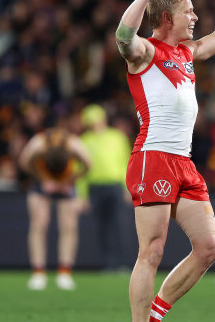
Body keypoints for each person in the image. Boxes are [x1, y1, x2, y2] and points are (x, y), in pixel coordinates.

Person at [114, 0, 215, 321]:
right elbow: (123, 35)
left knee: (209, 249)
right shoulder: (146, 53)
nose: (196, 17)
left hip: (183, 163)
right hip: (152, 157)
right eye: (189, 11)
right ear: (167, 18)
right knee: (151, 252)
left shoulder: (186, 52)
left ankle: (156, 314)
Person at [19, 128, 91, 291]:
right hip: (41, 180)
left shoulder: (74, 144)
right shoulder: (38, 144)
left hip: (67, 181)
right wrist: (44, 179)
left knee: (69, 226)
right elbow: (24, 163)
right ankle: (38, 273)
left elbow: (88, 165)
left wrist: (71, 179)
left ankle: (64, 272)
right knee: (39, 224)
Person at [77, 104, 132, 270]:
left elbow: (126, 163)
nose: (95, 124)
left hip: (115, 185)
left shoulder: (117, 137)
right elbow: (80, 171)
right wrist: (82, 195)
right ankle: (109, 264)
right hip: (95, 187)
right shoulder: (84, 140)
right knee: (103, 227)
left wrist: (128, 188)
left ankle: (121, 263)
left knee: (118, 225)